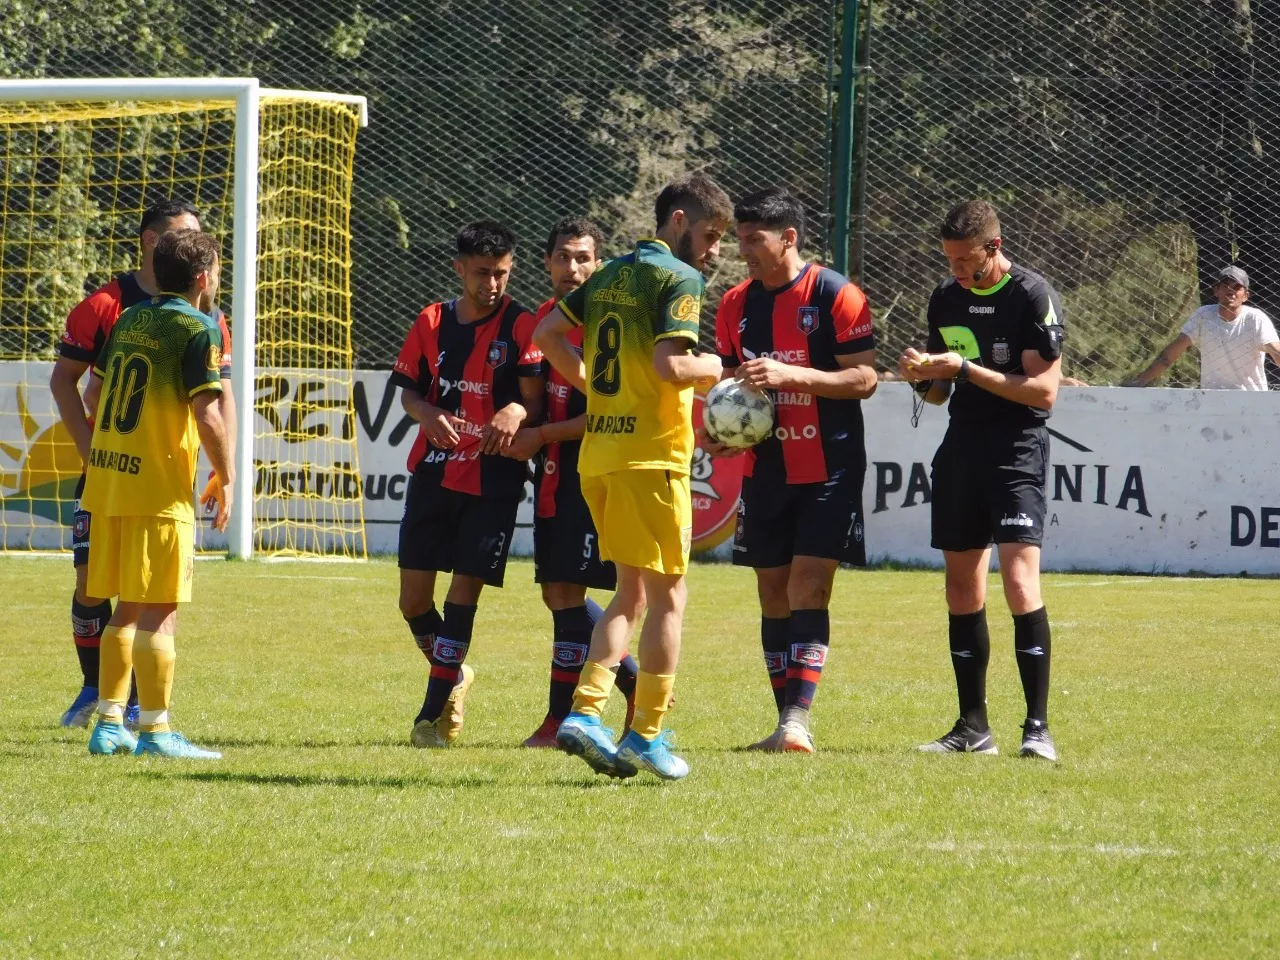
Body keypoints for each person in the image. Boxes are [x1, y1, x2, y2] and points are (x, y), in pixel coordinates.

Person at [534, 173, 732, 781]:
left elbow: (546, 336)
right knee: (670, 597)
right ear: (679, 223)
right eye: (711, 234)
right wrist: (714, 365)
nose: (715, 249)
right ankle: (644, 733)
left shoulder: (609, 274)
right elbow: (670, 365)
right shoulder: (679, 278)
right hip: (652, 457)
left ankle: (588, 710)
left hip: (601, 455)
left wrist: (595, 384)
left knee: (630, 593)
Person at [49, 200, 235, 730]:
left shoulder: (133, 319)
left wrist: (109, 447)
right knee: (141, 600)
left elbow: (96, 392)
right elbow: (209, 413)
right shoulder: (124, 308)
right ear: (155, 243)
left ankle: (113, 715)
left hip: (115, 476)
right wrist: (226, 473)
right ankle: (150, 722)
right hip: (153, 483)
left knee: (128, 605)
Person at [710, 186, 878, 754]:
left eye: (754, 241)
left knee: (810, 585)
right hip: (766, 468)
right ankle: (784, 719)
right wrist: (726, 432)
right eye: (740, 241)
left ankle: (797, 722)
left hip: (828, 465)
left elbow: (864, 380)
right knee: (771, 591)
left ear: (789, 238)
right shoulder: (734, 303)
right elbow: (736, 386)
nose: (744, 252)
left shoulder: (836, 294)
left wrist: (793, 377)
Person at [898, 200, 1064, 762]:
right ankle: (973, 727)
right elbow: (942, 394)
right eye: (948, 260)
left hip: (1017, 447)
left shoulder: (1030, 295)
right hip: (962, 447)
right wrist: (924, 378)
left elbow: (1043, 392)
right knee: (960, 586)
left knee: (1019, 581)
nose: (955, 272)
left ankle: (1036, 727)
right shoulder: (945, 298)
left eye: (965, 260)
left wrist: (964, 369)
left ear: (993, 248)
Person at [391, 221, 545, 748]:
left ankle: (429, 716)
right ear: (459, 269)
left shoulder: (523, 325)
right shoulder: (431, 321)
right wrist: (427, 412)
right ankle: (453, 672)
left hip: (494, 479)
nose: (493, 283)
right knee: (413, 600)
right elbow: (410, 393)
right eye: (482, 273)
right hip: (433, 473)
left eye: (502, 272)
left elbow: (536, 400)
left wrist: (515, 408)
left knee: (462, 594)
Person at [502, 217, 640, 747]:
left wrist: (542, 434)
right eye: (563, 257)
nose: (573, 267)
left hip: (600, 475)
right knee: (558, 593)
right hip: (555, 477)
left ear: (599, 264)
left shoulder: (615, 322)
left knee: (573, 593)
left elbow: (614, 411)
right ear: (547, 263)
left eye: (583, 257)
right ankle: (631, 675)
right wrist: (520, 414)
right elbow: (531, 400)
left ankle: (560, 718)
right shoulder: (540, 323)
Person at [1125, 265, 1280, 390]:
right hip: (1211, 401)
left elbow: (1276, 351)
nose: (1230, 291)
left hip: (1251, 401)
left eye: (1237, 287)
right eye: (1225, 285)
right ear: (1216, 291)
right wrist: (1140, 382)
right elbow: (1170, 355)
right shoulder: (1203, 315)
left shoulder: (1255, 319)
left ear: (1246, 295)